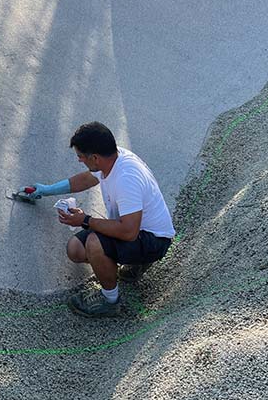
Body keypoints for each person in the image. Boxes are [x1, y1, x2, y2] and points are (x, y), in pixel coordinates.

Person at [28, 122, 175, 317]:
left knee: (94, 243)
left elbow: (129, 232)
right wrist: (47, 190)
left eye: (81, 156)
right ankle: (127, 264)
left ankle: (110, 301)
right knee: (75, 249)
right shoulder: (111, 158)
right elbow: (85, 179)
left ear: (94, 157)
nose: (79, 160)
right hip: (135, 231)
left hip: (153, 239)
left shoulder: (126, 178)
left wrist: (85, 220)